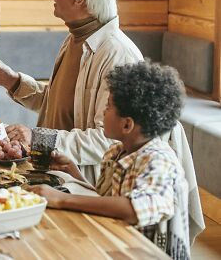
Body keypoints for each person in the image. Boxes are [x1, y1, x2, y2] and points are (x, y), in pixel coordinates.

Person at [0, 0, 143, 183]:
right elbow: (58, 105)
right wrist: (13, 81)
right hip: (53, 172)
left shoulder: (119, 56)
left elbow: (111, 140)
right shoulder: (74, 39)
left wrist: (38, 137)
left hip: (86, 184)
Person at [30, 61, 191, 260]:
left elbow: (133, 209)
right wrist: (72, 171)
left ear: (127, 124)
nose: (104, 112)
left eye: (108, 107)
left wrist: (61, 199)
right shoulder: (117, 150)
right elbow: (105, 199)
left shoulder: (159, 162)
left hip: (143, 253)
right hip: (114, 243)